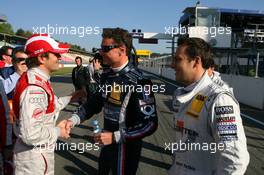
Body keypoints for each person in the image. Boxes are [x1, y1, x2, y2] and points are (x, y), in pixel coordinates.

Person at [67, 28, 158, 175]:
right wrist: (72, 120)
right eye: (101, 48)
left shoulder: (139, 81)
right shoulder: (106, 75)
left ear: (121, 50)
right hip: (107, 146)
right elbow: (93, 103)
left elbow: (150, 124)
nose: (101, 52)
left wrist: (115, 137)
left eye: (105, 48)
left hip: (125, 150)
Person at [169, 37, 249, 175]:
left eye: (178, 59)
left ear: (196, 62)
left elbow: (235, 159)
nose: (172, 65)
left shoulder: (220, 99)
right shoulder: (181, 94)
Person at [12, 34, 82, 175]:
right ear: (42, 58)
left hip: (37, 155)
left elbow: (51, 105)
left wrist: (73, 97)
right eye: (56, 54)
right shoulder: (34, 88)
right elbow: (30, 135)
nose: (60, 58)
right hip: (33, 159)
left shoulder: (38, 79)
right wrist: (58, 131)